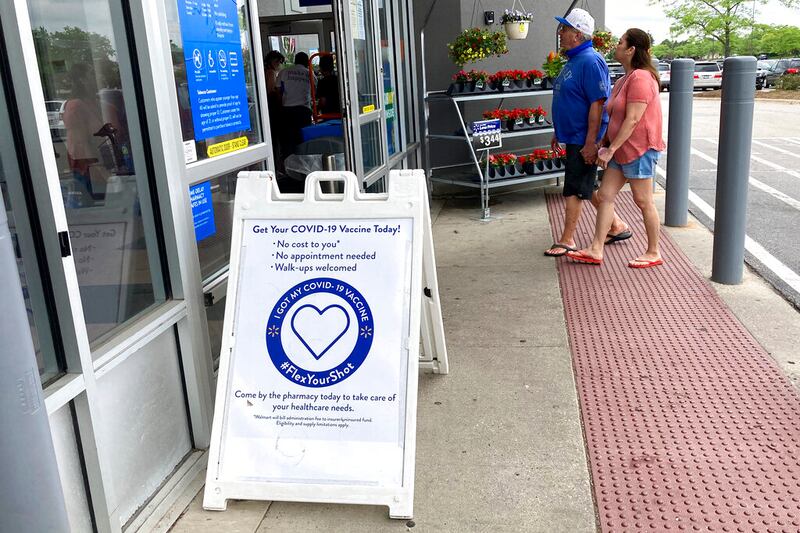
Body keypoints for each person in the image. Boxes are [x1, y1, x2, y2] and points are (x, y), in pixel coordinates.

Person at [566, 29, 666, 268]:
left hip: (639, 149)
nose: (616, 45)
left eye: (621, 42)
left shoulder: (642, 78)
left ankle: (654, 252)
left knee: (643, 200)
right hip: (620, 150)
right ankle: (596, 249)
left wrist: (610, 150)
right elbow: (616, 119)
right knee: (605, 196)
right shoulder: (623, 80)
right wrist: (604, 144)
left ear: (631, 50)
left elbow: (633, 119)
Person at [544, 8, 631, 257]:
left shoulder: (591, 61)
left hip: (583, 138)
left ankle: (567, 239)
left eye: (565, 29)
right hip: (574, 136)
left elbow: (597, 103)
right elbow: (569, 99)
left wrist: (591, 142)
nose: (560, 33)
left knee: (573, 188)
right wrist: (558, 131)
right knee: (585, 184)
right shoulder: (575, 60)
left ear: (578, 35)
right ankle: (617, 225)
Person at [277, 52, 315, 157]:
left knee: (287, 141)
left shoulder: (284, 72)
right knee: (303, 140)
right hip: (303, 111)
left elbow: (278, 91)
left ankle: (288, 165)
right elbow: (314, 92)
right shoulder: (310, 73)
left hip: (287, 112)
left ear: (295, 61)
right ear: (307, 62)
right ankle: (303, 163)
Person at [264, 50, 285, 167]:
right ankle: (276, 165)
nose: (279, 65)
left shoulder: (264, 71)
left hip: (268, 110)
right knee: (275, 139)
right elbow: (271, 90)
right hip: (273, 109)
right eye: (278, 62)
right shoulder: (271, 73)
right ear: (273, 61)